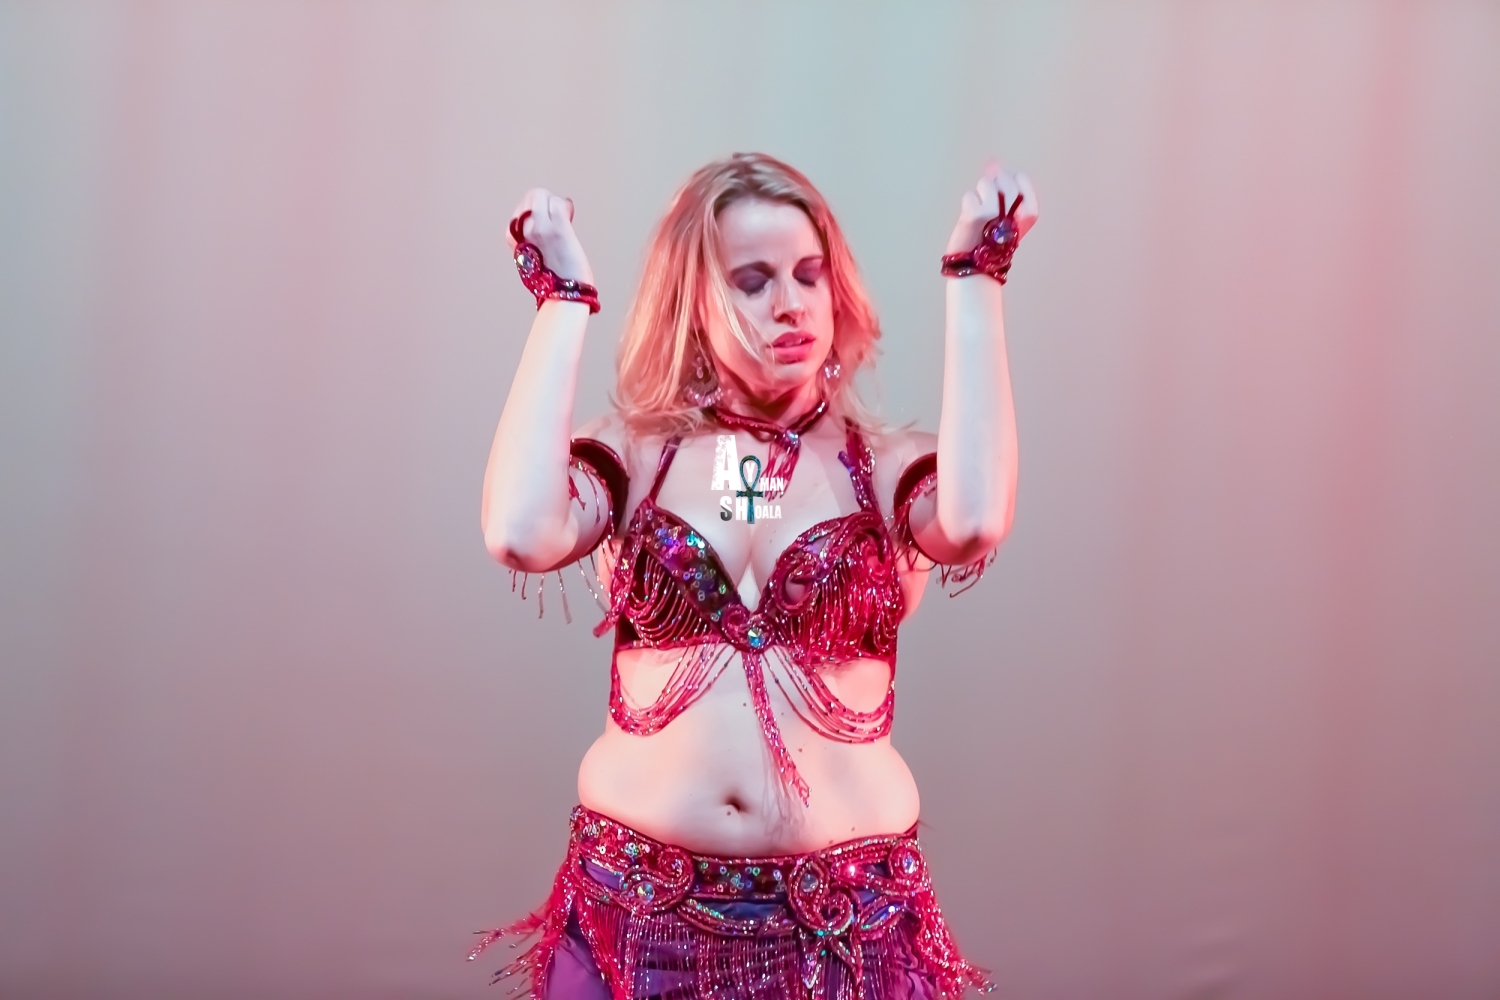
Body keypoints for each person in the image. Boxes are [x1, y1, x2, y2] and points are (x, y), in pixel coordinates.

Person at [473, 152, 1037, 1000]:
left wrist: (975, 276)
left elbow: (976, 520)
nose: (791, 304)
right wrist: (563, 303)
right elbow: (520, 533)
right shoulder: (640, 456)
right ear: (696, 300)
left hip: (847, 933)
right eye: (753, 280)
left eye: (810, 275)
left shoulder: (885, 468)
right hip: (635, 926)